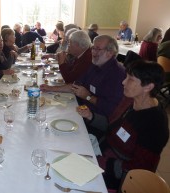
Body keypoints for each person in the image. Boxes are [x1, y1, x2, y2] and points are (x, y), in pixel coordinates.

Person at [96, 60, 168, 189]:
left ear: (148, 87)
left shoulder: (155, 124)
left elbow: (140, 168)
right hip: (101, 152)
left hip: (116, 176)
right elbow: (111, 127)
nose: (123, 82)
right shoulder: (129, 100)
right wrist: (91, 117)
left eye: (131, 79)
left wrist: (101, 162)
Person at [72, 35, 126, 124]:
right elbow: (76, 85)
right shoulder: (95, 65)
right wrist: (50, 88)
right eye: (93, 48)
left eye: (97, 49)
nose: (93, 52)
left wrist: (88, 97)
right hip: (83, 110)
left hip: (96, 121)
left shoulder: (117, 74)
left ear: (110, 52)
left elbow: (110, 108)